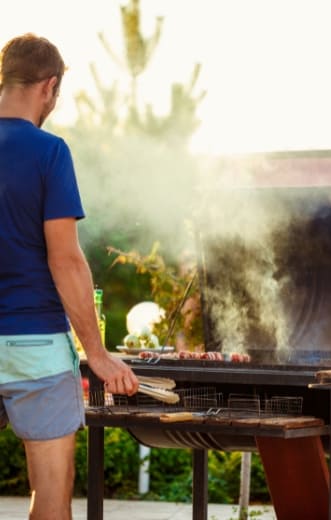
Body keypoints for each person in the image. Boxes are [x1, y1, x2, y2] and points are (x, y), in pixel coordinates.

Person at [0, 33, 140, 519]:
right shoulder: (49, 152)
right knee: (51, 500)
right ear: (50, 88)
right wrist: (96, 353)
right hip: (36, 347)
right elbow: (65, 259)